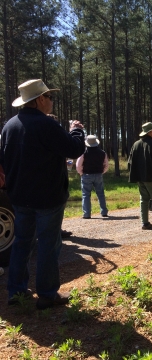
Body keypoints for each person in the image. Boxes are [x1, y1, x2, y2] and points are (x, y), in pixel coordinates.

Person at [0, 79, 85, 309]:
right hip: (47, 198)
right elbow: (75, 149)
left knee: (21, 243)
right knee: (48, 244)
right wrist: (77, 131)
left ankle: (16, 293)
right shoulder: (46, 125)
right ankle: (47, 294)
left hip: (19, 197)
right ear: (39, 100)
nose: (51, 101)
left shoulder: (10, 126)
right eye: (49, 97)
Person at [128, 122, 152, 231]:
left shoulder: (136, 144)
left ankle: (145, 223)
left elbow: (130, 162)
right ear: (150, 132)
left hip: (140, 178)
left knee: (144, 200)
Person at [76, 135, 109, 219]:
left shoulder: (83, 153)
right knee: (101, 193)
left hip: (86, 175)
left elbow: (78, 165)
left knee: (86, 195)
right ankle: (104, 212)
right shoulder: (102, 152)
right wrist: (102, 172)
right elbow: (106, 165)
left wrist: (81, 173)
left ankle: (87, 214)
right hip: (98, 175)